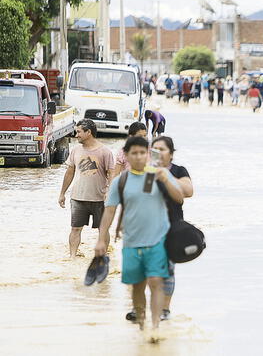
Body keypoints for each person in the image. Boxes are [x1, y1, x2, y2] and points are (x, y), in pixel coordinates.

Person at [94, 136, 183, 334]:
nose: (139, 156)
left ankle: (156, 328)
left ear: (148, 154)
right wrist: (101, 239)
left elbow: (179, 198)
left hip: (158, 239)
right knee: (137, 285)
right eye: (134, 153)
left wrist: (166, 181)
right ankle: (142, 324)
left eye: (143, 152)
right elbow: (109, 210)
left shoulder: (157, 174)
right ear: (127, 155)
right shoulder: (121, 181)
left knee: (155, 280)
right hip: (131, 241)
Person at [126, 136, 193, 323]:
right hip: (147, 228)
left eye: (162, 149)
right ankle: (138, 307)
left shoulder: (179, 170)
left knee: (167, 271)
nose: (158, 152)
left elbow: (188, 191)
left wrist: (166, 175)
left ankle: (165, 308)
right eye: (154, 148)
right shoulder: (147, 172)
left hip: (173, 227)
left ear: (171, 154)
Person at [58, 119, 115, 257]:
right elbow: (70, 172)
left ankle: (102, 257)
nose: (76, 135)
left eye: (78, 132)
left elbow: (111, 174)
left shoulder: (105, 151)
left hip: (99, 198)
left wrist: (110, 191)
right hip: (77, 197)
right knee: (75, 228)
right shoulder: (76, 150)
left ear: (88, 132)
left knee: (102, 229)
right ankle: (72, 257)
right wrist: (62, 193)